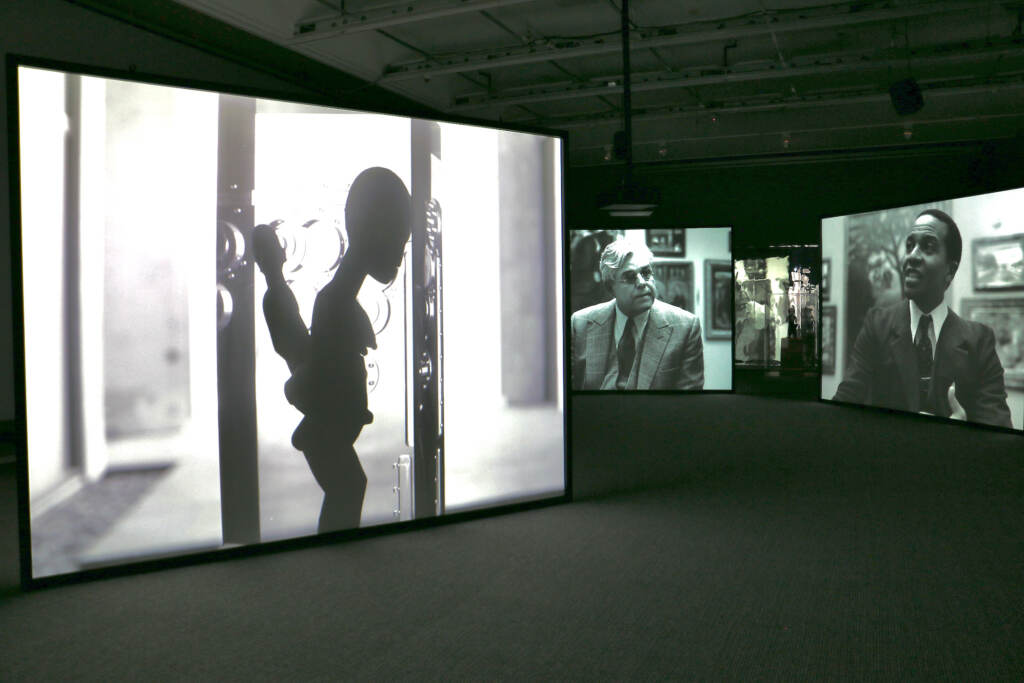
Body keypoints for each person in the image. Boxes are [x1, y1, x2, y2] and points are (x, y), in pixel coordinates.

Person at [253, 167, 412, 532]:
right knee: (348, 488)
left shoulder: (333, 304)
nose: (400, 256)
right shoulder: (333, 303)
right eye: (399, 241)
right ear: (376, 231)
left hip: (330, 433)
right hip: (327, 436)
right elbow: (312, 360)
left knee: (349, 489)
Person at [833, 209, 1012, 427]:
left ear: (950, 270)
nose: (912, 255)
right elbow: (841, 408)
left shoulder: (979, 341)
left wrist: (965, 435)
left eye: (928, 247)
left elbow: (1000, 433)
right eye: (910, 245)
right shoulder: (876, 325)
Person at [571, 239, 703, 390]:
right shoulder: (580, 323)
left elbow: (688, 403)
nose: (642, 283)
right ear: (610, 287)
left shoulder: (685, 327)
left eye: (646, 273)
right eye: (630, 277)